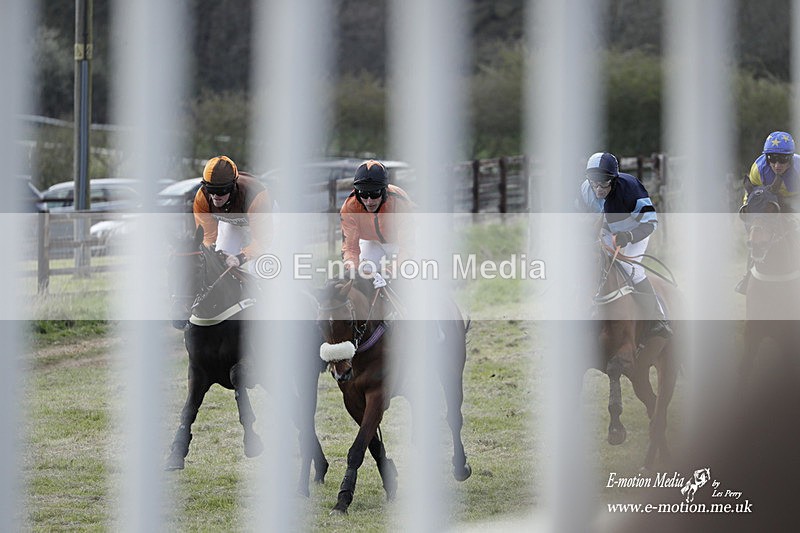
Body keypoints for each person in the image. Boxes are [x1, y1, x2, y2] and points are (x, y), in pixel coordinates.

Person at [578, 151, 672, 342]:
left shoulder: (630, 189)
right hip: (608, 231)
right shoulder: (586, 189)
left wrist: (629, 236)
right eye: (594, 183)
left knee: (631, 270)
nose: (598, 189)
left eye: (604, 183)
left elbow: (650, 222)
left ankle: (658, 318)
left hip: (636, 231)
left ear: (614, 180)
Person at [735, 131, 799, 294]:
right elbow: (751, 195)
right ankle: (749, 274)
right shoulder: (758, 169)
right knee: (755, 232)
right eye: (772, 159)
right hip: (771, 199)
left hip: (794, 199)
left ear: (790, 158)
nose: (777, 165)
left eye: (783, 159)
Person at [340, 159, 415, 289]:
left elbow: (408, 248)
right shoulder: (349, 207)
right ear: (357, 192)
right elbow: (350, 249)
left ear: (384, 191)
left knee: (410, 275)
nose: (369, 201)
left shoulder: (399, 201)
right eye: (363, 193)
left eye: (375, 194)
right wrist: (353, 270)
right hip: (372, 242)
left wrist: (390, 270)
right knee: (363, 275)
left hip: (400, 243)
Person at [193, 155, 273, 270]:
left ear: (233, 186)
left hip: (264, 217)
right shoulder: (202, 198)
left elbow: (263, 240)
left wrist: (241, 258)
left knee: (258, 268)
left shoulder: (255, 197)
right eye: (211, 189)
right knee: (222, 260)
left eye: (221, 190)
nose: (215, 196)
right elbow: (208, 238)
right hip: (231, 220)